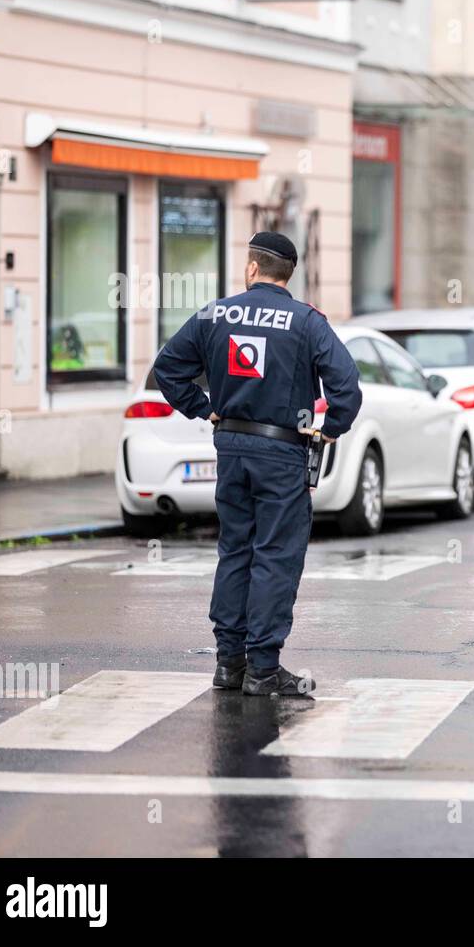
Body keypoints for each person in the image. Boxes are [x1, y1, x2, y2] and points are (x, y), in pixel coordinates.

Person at [154, 231, 362, 697]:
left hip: (231, 448)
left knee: (235, 552)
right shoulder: (307, 322)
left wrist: (202, 406)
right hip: (283, 454)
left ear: (251, 269)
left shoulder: (215, 313)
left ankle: (229, 664)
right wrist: (331, 428)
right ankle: (263, 670)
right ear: (289, 275)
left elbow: (168, 368)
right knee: (275, 556)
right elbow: (346, 387)